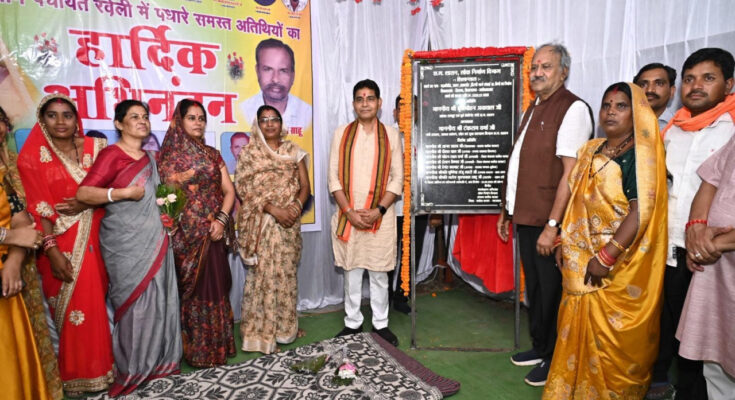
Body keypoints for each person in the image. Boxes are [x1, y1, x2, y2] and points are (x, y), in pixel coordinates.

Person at [542, 82, 667, 398]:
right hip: (578, 261)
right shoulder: (590, 150)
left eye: (621, 106)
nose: (611, 112)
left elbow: (640, 212)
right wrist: (563, 241)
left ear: (636, 113)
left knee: (612, 347)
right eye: (606, 105)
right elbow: (576, 202)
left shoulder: (639, 156)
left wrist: (606, 257)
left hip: (616, 266)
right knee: (573, 333)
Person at [498, 43, 594, 386]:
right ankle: (540, 348)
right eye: (534, 67)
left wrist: (553, 226)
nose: (537, 73)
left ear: (563, 71)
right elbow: (522, 164)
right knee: (537, 290)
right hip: (526, 217)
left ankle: (556, 359)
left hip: (550, 223)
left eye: (546, 67)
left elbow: (571, 174)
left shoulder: (572, 109)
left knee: (553, 293)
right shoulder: (536, 106)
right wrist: (507, 211)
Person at [77, 100, 182, 396]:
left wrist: (168, 217)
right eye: (134, 116)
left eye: (145, 116)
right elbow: (84, 193)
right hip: (125, 245)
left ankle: (161, 362)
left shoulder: (151, 157)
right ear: (119, 124)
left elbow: (159, 197)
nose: (142, 120)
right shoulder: (112, 155)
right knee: (135, 307)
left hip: (157, 240)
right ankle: (132, 368)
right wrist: (121, 193)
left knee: (160, 300)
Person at [17, 94, 114, 397]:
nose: (60, 121)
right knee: (75, 311)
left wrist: (86, 202)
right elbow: (38, 208)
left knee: (96, 306)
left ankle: (103, 370)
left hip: (99, 235)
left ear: (76, 120)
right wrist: (52, 251)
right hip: (59, 243)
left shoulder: (97, 148)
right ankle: (77, 376)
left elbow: (112, 189)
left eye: (67, 115)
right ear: (42, 120)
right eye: (52, 115)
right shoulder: (31, 157)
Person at [654, 47, 735, 400]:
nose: (696, 86)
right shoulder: (673, 130)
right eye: (689, 79)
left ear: (728, 85)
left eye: (708, 78)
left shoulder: (731, 128)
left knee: (708, 342)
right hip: (671, 247)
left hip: (714, 257)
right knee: (674, 331)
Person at [158, 99, 236, 367]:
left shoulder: (213, 154)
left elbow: (229, 191)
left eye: (201, 118)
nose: (198, 122)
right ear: (179, 122)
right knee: (191, 293)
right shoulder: (168, 158)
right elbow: (165, 199)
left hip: (213, 233)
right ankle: (195, 350)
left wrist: (221, 221)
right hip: (184, 239)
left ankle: (219, 347)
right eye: (191, 118)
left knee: (216, 287)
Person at [329, 79, 403, 346]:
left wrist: (378, 210)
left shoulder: (391, 135)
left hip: (380, 216)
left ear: (379, 103)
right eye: (360, 99)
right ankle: (353, 322)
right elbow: (333, 178)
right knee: (352, 271)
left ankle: (381, 324)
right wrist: (349, 211)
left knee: (379, 272)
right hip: (348, 214)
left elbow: (397, 178)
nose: (365, 104)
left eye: (370, 98)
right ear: (353, 104)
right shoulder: (342, 133)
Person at [235, 105, 310, 354]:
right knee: (264, 277)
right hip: (263, 223)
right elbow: (244, 189)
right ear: (257, 125)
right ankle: (261, 334)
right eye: (264, 120)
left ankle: (285, 328)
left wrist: (294, 209)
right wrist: (273, 210)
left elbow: (305, 186)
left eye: (274, 119)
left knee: (286, 275)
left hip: (289, 224)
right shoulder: (250, 154)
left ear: (281, 123)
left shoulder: (293, 150)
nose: (269, 124)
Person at [1, 106, 63, 399]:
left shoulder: (13, 166)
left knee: (16, 345)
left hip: (12, 267)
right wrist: (9, 237)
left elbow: (22, 218)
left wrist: (13, 261)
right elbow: (15, 230)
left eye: (1, 122)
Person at [678, 133, 735, 400]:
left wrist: (711, 245)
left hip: (717, 253)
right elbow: (711, 179)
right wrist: (696, 229)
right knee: (716, 366)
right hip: (717, 273)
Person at [0, 178, 50, 400]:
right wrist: (9, 236)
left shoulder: (2, 179)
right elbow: (17, 234)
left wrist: (14, 261)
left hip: (5, 283)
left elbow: (23, 223)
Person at [240, 39, 312, 137]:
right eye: (268, 69)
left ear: (293, 75)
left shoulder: (309, 115)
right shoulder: (242, 112)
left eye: (283, 71)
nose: (275, 79)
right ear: (257, 71)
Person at [634, 63, 677, 130]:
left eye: (659, 83)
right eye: (643, 85)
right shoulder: (624, 125)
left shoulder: (682, 126)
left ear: (672, 91)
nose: (650, 90)